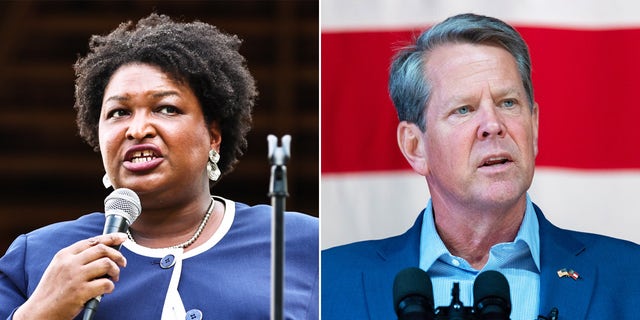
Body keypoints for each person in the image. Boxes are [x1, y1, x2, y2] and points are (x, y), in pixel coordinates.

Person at [321, 13, 640, 319]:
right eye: (464, 109)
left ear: (534, 127)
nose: (493, 124)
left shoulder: (630, 276)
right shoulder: (329, 281)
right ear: (415, 146)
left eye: (508, 103)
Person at [0, 13, 318, 319]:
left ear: (214, 136)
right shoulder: (36, 257)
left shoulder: (304, 245)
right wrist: (38, 314)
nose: (137, 129)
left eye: (166, 108)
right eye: (119, 112)